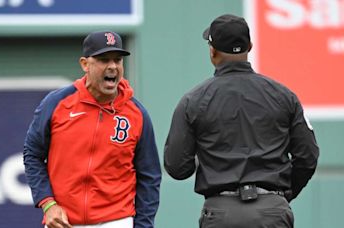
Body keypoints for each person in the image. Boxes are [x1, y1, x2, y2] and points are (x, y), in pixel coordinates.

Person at [164, 14, 319, 228]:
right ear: (250, 46)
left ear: (212, 51)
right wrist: (281, 195)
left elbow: (177, 167)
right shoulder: (284, 96)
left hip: (222, 213)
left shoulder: (193, 100)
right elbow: (308, 157)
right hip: (272, 211)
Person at [23, 30, 161, 228]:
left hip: (116, 221)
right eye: (104, 60)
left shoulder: (136, 114)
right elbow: (32, 154)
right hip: (64, 221)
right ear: (85, 64)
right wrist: (48, 203)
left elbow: (150, 176)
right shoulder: (57, 103)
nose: (113, 66)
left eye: (118, 60)